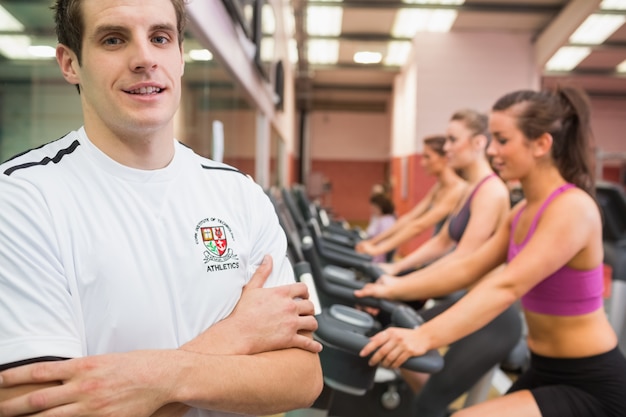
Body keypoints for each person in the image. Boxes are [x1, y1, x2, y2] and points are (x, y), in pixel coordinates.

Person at [0, 1, 323, 417]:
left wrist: (156, 380)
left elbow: (302, 377)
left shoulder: (238, 194)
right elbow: (44, 408)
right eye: (114, 39)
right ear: (70, 63)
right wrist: (235, 336)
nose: (145, 58)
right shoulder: (22, 200)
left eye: (160, 38)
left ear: (180, 56)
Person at [358, 86, 626, 417]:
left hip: (591, 381)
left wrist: (424, 337)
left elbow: (507, 286)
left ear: (542, 144)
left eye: (502, 140)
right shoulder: (522, 211)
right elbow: (468, 267)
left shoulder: (572, 208)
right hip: (544, 369)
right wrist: (389, 287)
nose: (493, 151)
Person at [356, 109, 522, 417]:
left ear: (477, 143)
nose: (446, 148)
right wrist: (394, 269)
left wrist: (399, 284)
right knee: (393, 330)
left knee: (429, 403)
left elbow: (463, 260)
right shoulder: (471, 188)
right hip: (470, 301)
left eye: (452, 140)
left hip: (491, 315)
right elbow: (442, 242)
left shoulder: (491, 192)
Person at [355, 135, 466, 261]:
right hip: (436, 256)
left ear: (445, 158)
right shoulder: (439, 187)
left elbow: (419, 226)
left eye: (427, 157)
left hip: (449, 259)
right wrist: (373, 242)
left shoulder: (458, 189)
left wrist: (379, 249)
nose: (422, 163)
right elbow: (410, 217)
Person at [364, 192, 397, 262]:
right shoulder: (387, 219)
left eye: (374, 208)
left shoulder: (385, 222)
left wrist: (374, 263)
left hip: (379, 259)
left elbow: (382, 246)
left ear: (380, 207)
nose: (372, 211)